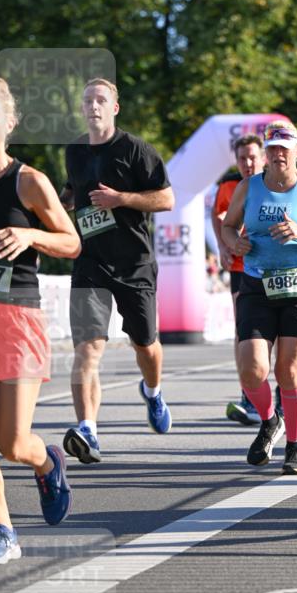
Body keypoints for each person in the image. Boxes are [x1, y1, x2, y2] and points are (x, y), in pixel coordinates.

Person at [0, 77, 80, 564]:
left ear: (9, 123)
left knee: (12, 441)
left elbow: (71, 242)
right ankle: (3, 531)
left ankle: (46, 460)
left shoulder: (28, 181)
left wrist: (29, 235)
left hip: (18, 315)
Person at [60, 79, 174, 464]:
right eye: (88, 100)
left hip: (134, 262)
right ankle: (88, 429)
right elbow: (71, 193)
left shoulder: (136, 149)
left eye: (101, 100)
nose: (94, 106)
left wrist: (121, 199)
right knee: (88, 349)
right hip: (90, 262)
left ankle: (153, 390)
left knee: (145, 344)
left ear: (115, 108)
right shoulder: (74, 150)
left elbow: (167, 198)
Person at [221, 118, 297, 476]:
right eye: (272, 149)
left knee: (288, 370)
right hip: (257, 284)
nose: (278, 156)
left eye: (284, 150)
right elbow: (228, 226)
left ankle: (294, 446)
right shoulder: (248, 187)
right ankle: (269, 419)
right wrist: (234, 242)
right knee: (251, 369)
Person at [211, 134, 266, 425]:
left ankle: (279, 393)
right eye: (242, 158)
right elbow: (217, 212)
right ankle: (249, 392)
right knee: (244, 329)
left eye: (253, 157)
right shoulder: (230, 185)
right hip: (241, 266)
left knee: (275, 333)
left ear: (264, 157)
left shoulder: (277, 182)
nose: (247, 163)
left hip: (273, 266)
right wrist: (222, 245)